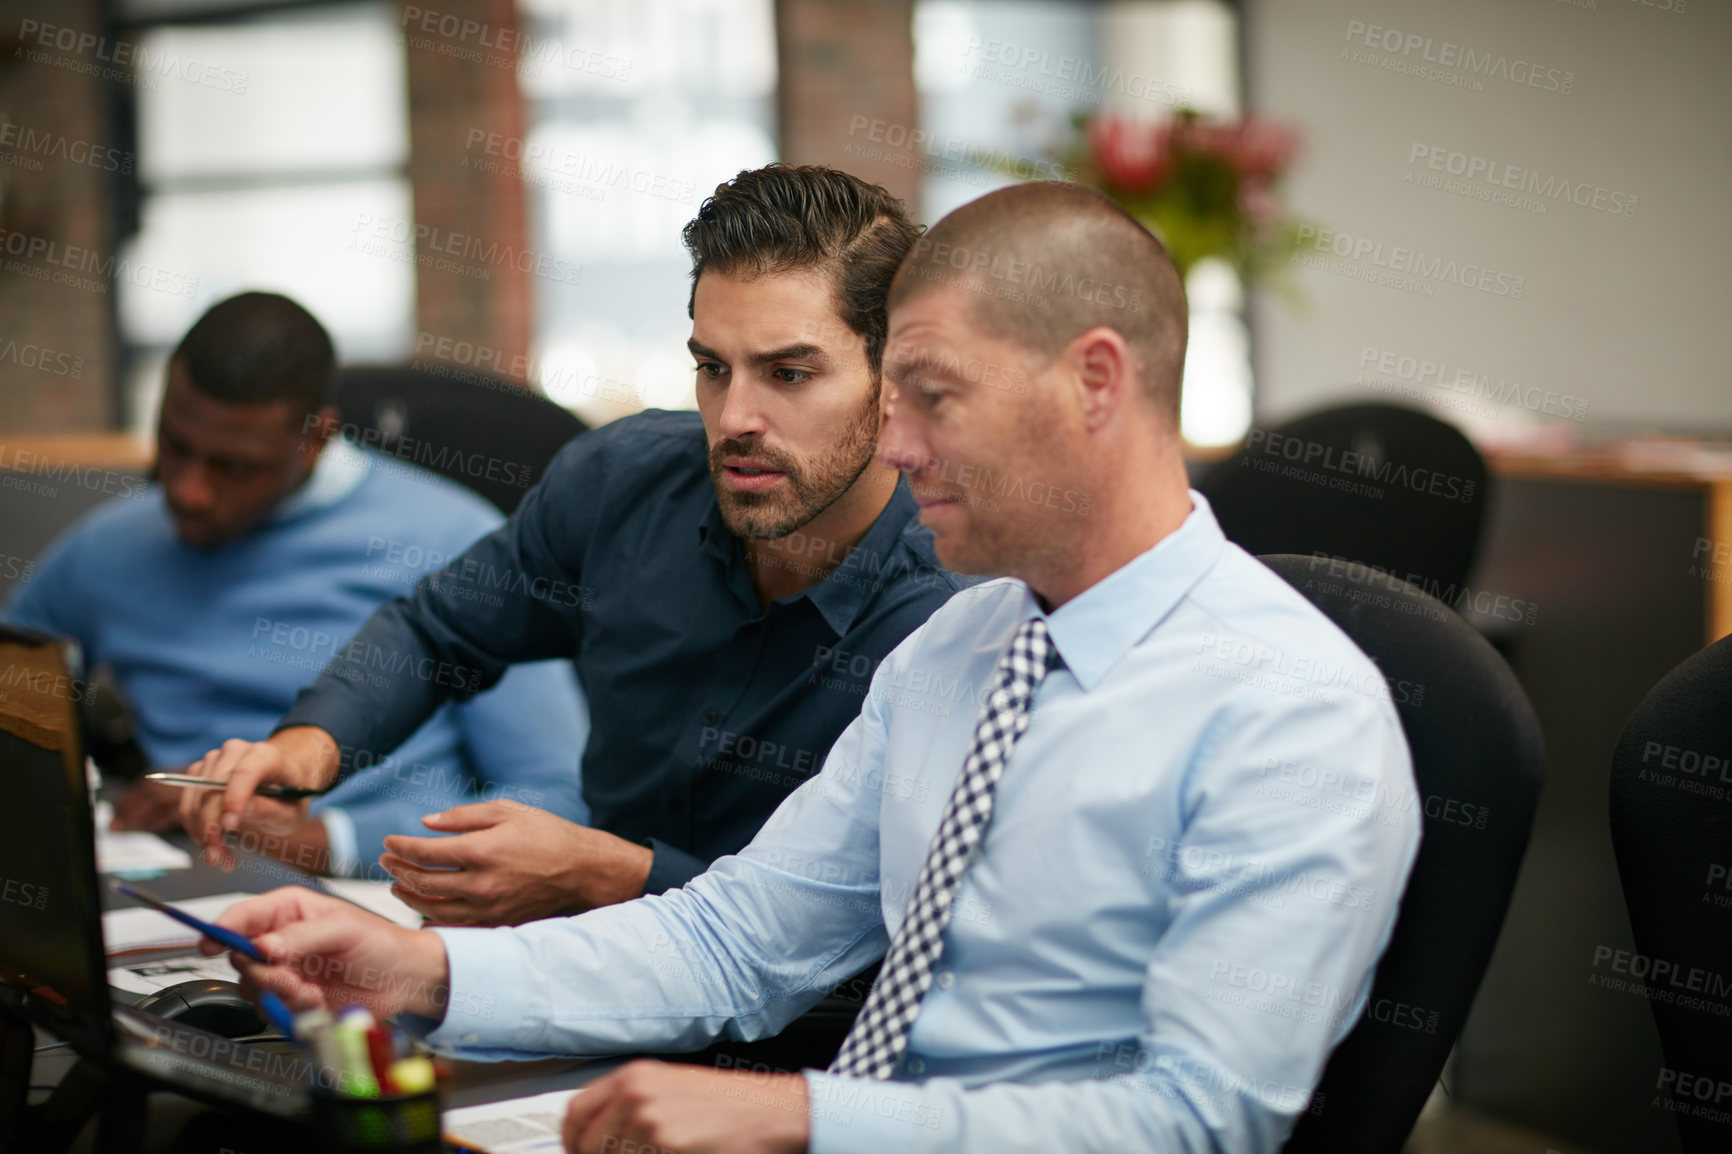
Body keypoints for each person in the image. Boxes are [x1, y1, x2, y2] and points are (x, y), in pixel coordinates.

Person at [208, 182, 1421, 1154]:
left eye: (931, 396)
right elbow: (738, 938)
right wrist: (416, 965)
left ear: (1093, 382)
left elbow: (1199, 1121)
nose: (893, 443)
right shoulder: (966, 647)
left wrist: (800, 1116)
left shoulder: (1287, 709)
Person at [180, 165, 965, 928]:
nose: (732, 420)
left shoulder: (960, 612)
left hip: (796, 1040)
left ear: (894, 377)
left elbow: (880, 925)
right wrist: (310, 748)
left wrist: (605, 875)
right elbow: (436, 628)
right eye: (712, 369)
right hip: (572, 974)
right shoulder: (621, 483)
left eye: (788, 374)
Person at [2, 291, 588, 876]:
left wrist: (329, 841)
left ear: (316, 440)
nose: (188, 491)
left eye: (234, 467)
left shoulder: (457, 539)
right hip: (176, 873)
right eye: (175, 446)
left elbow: (559, 795)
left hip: (379, 889)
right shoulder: (114, 543)